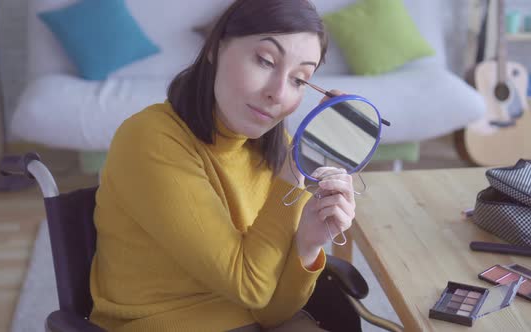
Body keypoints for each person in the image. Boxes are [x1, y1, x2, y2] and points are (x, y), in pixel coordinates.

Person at [89, 0, 356, 331]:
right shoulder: (148, 139)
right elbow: (250, 287)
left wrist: (309, 242)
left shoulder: (278, 153)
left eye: (300, 80)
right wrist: (291, 179)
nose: (278, 93)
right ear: (215, 47)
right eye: (265, 60)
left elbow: (272, 312)